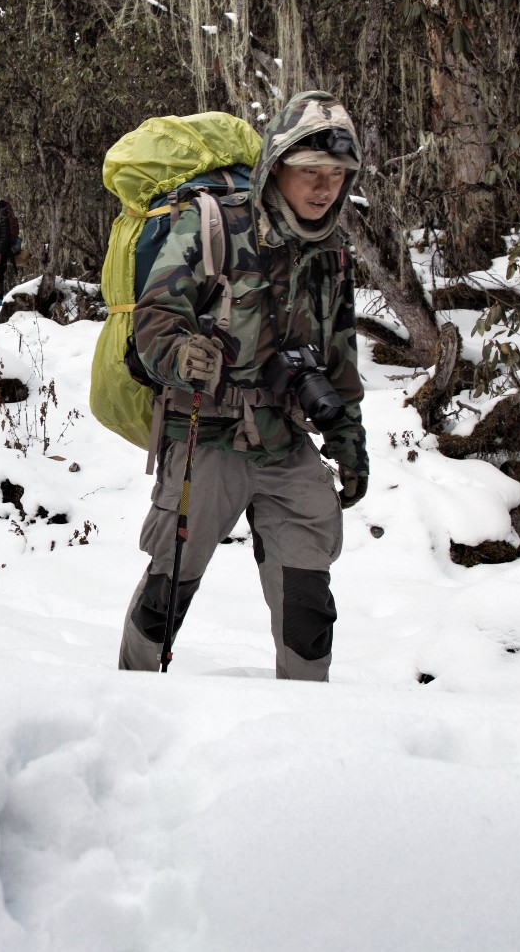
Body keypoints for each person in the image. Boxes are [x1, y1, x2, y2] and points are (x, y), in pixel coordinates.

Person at [116, 91, 369, 680]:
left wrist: (349, 438)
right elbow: (152, 322)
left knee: (308, 606)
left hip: (284, 438)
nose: (323, 188)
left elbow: (341, 354)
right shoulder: (212, 227)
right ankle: (126, 698)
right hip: (204, 436)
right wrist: (184, 356)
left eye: (335, 175)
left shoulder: (330, 252)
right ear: (275, 166)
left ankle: (308, 729)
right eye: (309, 172)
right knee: (166, 593)